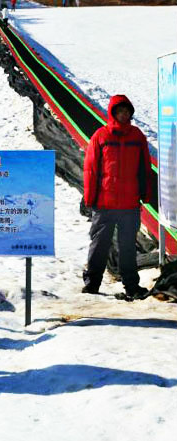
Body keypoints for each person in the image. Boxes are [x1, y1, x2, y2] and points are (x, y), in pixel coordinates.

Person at [82, 94, 152, 299]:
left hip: (129, 204)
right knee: (99, 244)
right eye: (120, 111)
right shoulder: (101, 136)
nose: (124, 114)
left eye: (127, 111)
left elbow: (144, 168)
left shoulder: (137, 136)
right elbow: (91, 169)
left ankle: (131, 286)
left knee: (128, 246)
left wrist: (146, 194)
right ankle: (92, 284)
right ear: (113, 113)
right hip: (105, 203)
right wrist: (90, 198)